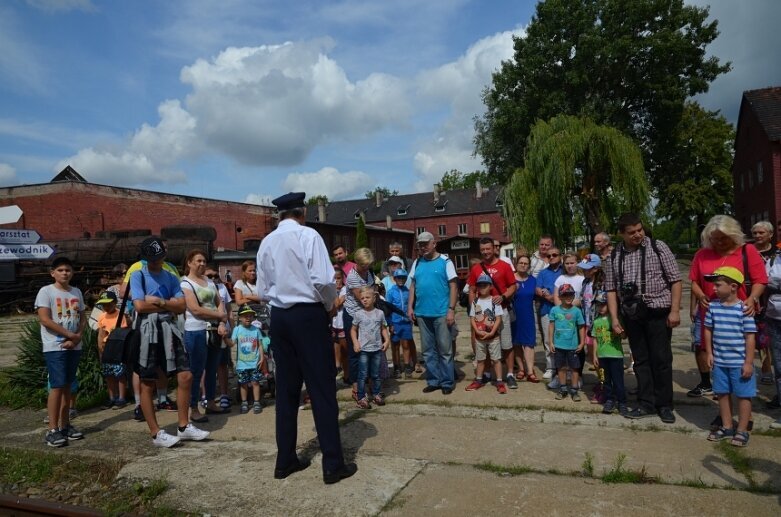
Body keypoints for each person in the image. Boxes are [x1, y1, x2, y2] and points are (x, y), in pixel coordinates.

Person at [256, 192, 356, 484]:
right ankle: (332, 464)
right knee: (322, 388)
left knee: (287, 389)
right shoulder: (308, 235)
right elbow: (324, 281)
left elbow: (262, 291)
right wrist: (328, 307)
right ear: (302, 212)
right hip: (308, 314)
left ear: (280, 215)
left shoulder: (267, 242)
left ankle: (284, 459)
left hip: (280, 317)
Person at [130, 237, 210, 447]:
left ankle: (183, 426)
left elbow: (182, 306)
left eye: (158, 258)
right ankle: (156, 432)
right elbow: (139, 307)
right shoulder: (137, 275)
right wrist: (168, 305)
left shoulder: (171, 276)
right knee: (148, 381)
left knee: (186, 375)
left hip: (170, 329)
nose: (155, 263)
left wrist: (158, 301)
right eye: (151, 259)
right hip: (148, 331)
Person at [605, 213, 682, 423]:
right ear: (621, 234)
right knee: (640, 360)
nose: (638, 235)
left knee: (662, 360)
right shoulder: (614, 256)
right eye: (632, 232)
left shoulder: (658, 247)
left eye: (639, 229)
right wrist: (614, 318)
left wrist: (675, 310)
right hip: (632, 314)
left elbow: (675, 280)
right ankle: (646, 403)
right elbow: (610, 289)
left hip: (658, 311)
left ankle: (664, 405)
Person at [688, 216, 766, 398]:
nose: (719, 243)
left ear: (733, 235)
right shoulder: (702, 254)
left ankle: (742, 399)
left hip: (737, 313)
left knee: (737, 355)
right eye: (714, 239)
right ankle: (717, 393)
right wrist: (700, 296)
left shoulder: (747, 251)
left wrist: (752, 298)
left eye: (723, 238)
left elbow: (760, 280)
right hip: (710, 313)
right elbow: (694, 281)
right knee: (709, 352)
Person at [36, 257, 87, 447]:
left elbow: (82, 317)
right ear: (53, 273)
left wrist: (78, 336)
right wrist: (69, 335)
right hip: (55, 346)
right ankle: (52, 429)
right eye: (60, 270)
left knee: (67, 386)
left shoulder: (76, 292)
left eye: (68, 270)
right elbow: (45, 319)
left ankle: (65, 425)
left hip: (74, 345)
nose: (65, 273)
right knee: (57, 386)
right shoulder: (46, 291)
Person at [703, 267, 757, 447]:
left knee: (743, 395)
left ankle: (742, 430)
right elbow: (708, 330)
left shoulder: (744, 309)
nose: (714, 289)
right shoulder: (713, 307)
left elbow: (750, 336)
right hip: (720, 362)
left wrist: (748, 362)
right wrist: (710, 353)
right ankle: (727, 426)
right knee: (722, 394)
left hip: (739, 363)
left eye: (718, 285)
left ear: (733, 286)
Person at [180, 250, 229, 422]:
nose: (202, 263)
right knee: (196, 370)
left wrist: (222, 322)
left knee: (212, 369)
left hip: (214, 331)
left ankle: (210, 402)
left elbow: (219, 303)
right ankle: (193, 407)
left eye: (204, 261)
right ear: (189, 263)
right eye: (198, 260)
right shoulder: (185, 284)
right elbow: (194, 309)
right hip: (196, 331)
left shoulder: (209, 281)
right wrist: (219, 317)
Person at [408, 231, 458, 394]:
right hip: (422, 313)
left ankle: (447, 382)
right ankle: (434, 380)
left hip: (441, 313)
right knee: (428, 350)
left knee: (444, 350)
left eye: (425, 244)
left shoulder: (445, 261)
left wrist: (451, 309)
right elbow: (412, 286)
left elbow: (453, 286)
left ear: (434, 243)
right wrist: (410, 307)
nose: (423, 247)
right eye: (420, 244)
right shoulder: (417, 262)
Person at [467, 238, 517, 388]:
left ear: (494, 249)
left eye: (488, 249)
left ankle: (509, 374)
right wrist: (474, 310)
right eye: (482, 250)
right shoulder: (476, 268)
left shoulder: (504, 266)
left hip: (502, 310)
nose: (485, 252)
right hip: (483, 314)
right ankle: (487, 373)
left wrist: (502, 297)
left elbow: (513, 287)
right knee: (485, 342)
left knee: (507, 344)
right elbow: (471, 290)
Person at [344, 248, 378, 396]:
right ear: (357, 263)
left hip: (368, 315)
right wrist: (374, 293)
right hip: (354, 316)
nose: (366, 268)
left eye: (368, 265)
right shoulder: (352, 277)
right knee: (355, 352)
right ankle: (356, 385)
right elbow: (364, 298)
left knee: (369, 350)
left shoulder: (369, 272)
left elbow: (374, 289)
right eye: (364, 265)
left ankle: (369, 381)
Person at [351, 286, 391, 408]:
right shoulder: (358, 314)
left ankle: (376, 394)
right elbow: (353, 330)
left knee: (376, 374)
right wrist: (355, 342)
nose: (365, 300)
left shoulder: (380, 313)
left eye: (367, 297)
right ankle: (362, 397)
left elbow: (383, 328)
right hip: (363, 350)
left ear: (374, 298)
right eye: (362, 298)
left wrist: (387, 340)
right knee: (362, 375)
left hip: (377, 349)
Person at [465, 274, 505, 393]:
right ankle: (478, 380)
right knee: (480, 359)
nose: (482, 287)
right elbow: (472, 318)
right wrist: (476, 330)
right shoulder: (475, 301)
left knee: (496, 359)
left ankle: (499, 381)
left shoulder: (494, 301)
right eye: (480, 285)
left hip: (493, 337)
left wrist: (492, 332)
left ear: (490, 286)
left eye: (485, 285)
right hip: (479, 337)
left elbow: (498, 318)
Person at [590, 291, 627, 415]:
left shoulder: (615, 319)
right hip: (602, 357)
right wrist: (594, 355)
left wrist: (620, 332)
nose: (600, 308)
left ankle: (622, 402)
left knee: (618, 381)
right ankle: (609, 400)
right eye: (598, 305)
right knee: (605, 380)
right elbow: (594, 339)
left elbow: (624, 336)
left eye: (603, 305)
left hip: (615, 356)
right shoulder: (596, 321)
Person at [549, 284, 586, 401]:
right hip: (559, 345)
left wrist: (582, 343)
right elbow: (551, 326)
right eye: (565, 295)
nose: (568, 297)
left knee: (574, 368)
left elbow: (581, 327)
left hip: (573, 346)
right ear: (560, 296)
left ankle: (574, 390)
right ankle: (563, 388)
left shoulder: (577, 311)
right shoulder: (554, 310)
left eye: (571, 294)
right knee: (561, 368)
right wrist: (550, 342)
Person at [227, 304, 266, 415]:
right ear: (240, 317)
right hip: (242, 364)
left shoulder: (256, 330)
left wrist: (262, 358)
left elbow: (260, 344)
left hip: (254, 363)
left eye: (250, 316)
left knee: (255, 382)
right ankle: (244, 402)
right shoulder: (237, 330)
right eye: (245, 316)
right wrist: (225, 338)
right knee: (243, 384)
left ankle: (256, 402)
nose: (248, 318)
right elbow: (232, 343)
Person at [751, 221, 776, 385]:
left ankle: (768, 367)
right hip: (753, 298)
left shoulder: (777, 252)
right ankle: (762, 370)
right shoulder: (748, 251)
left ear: (770, 234)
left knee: (770, 337)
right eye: (755, 233)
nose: (758, 236)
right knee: (756, 336)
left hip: (773, 299)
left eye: (761, 233)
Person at [205, 265, 233, 410]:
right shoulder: (199, 286)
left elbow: (229, 311)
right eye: (210, 276)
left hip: (222, 330)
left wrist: (232, 329)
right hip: (206, 329)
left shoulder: (222, 288)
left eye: (216, 276)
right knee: (205, 365)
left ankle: (224, 394)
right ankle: (205, 396)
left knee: (222, 363)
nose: (214, 278)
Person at [95, 291, 128, 410]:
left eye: (109, 304)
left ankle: (121, 397)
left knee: (119, 373)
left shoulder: (120, 315)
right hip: (106, 348)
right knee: (109, 374)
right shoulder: (102, 317)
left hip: (117, 347)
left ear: (114, 303)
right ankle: (112, 397)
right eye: (104, 305)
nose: (106, 307)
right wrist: (100, 348)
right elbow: (100, 333)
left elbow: (123, 332)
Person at [537, 247, 563, 380]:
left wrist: (556, 298)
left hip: (564, 310)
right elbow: (538, 289)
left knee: (564, 338)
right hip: (547, 309)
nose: (552, 257)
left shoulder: (566, 270)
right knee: (548, 340)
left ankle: (564, 367)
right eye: (549, 256)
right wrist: (549, 297)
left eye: (555, 255)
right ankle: (550, 367)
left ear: (560, 255)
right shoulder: (542, 273)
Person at [511, 254, 538, 382]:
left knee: (529, 343)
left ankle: (530, 371)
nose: (523, 265)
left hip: (528, 315)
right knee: (516, 343)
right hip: (514, 315)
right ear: (516, 264)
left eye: (526, 263)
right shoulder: (510, 279)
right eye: (521, 263)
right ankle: (521, 369)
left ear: (529, 266)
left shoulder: (533, 280)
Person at [387, 268, 416, 378]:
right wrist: (390, 324)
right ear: (394, 279)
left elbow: (411, 306)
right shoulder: (390, 292)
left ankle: (407, 365)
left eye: (403, 278)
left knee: (406, 344)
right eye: (399, 278)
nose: (401, 280)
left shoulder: (408, 291)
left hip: (406, 322)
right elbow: (387, 309)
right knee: (395, 345)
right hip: (395, 322)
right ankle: (396, 367)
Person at [331, 268, 349, 382]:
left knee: (345, 350)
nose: (337, 281)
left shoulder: (345, 290)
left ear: (343, 279)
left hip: (342, 323)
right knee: (335, 348)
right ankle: (337, 367)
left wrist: (333, 291)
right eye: (334, 279)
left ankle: (347, 375)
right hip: (333, 324)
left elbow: (337, 303)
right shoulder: (331, 290)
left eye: (339, 278)